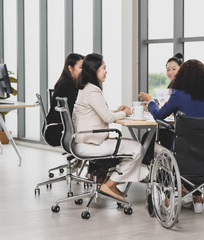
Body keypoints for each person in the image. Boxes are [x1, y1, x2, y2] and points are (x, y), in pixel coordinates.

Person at [139, 59, 204, 213]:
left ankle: (170, 196)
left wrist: (151, 103)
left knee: (151, 140)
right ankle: (197, 198)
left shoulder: (179, 94)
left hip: (184, 149)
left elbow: (159, 116)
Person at [73, 53, 144, 202]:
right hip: (90, 145)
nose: (106, 71)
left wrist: (117, 112)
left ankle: (111, 184)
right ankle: (110, 184)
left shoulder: (85, 88)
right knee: (137, 148)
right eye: (104, 68)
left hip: (83, 142)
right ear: (94, 70)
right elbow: (108, 118)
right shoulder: (93, 90)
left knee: (131, 146)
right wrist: (124, 113)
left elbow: (100, 113)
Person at [141, 53, 184, 166]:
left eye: (174, 69)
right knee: (150, 136)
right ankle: (156, 169)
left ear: (182, 69)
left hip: (181, 135)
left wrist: (152, 102)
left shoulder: (179, 91)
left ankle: (154, 169)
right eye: (168, 69)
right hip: (185, 133)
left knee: (148, 138)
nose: (170, 72)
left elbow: (160, 114)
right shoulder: (173, 86)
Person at [45, 53, 84, 171]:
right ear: (70, 68)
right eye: (81, 67)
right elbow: (76, 112)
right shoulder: (69, 86)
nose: (84, 71)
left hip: (55, 129)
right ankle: (94, 173)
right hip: (60, 132)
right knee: (94, 135)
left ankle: (83, 165)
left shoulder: (65, 82)